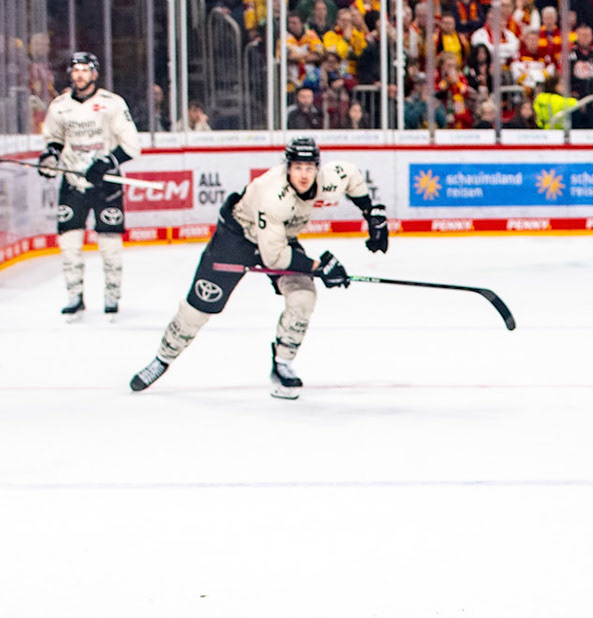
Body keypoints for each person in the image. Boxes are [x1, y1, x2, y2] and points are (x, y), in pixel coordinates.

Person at [129, 137, 388, 399]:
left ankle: (282, 364)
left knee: (303, 296)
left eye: (309, 168)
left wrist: (372, 213)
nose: (304, 175)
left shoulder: (328, 179)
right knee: (199, 306)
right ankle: (162, 358)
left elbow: (352, 175)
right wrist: (320, 267)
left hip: (279, 237)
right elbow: (274, 257)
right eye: (297, 168)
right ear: (287, 167)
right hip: (236, 239)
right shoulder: (273, 195)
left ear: (318, 168)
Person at [38, 52, 140, 320]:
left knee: (110, 245)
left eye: (85, 69)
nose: (80, 74)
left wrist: (107, 162)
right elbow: (54, 140)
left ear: (94, 74)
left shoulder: (111, 103)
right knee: (69, 243)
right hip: (73, 183)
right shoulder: (59, 106)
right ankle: (74, 297)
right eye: (76, 70)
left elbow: (132, 145)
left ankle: (112, 296)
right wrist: (50, 158)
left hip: (106, 184)